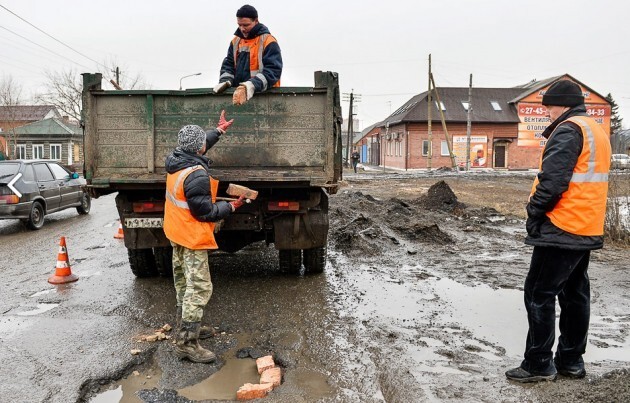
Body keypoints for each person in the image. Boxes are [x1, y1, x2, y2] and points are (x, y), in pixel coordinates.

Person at [505, 80, 611, 382]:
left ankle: (538, 363)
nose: (546, 112)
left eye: (548, 107)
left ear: (561, 104)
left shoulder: (568, 130)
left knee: (539, 292)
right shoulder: (595, 130)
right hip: (586, 225)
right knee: (575, 294)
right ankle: (571, 361)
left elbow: (552, 182)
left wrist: (534, 214)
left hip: (562, 224)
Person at [163, 110, 246, 363]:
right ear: (198, 147)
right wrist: (232, 207)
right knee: (198, 286)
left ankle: (186, 325)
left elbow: (200, 143)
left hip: (176, 232)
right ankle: (187, 342)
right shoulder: (196, 174)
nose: (204, 145)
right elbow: (206, 212)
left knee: (184, 283)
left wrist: (218, 131)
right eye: (203, 142)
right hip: (191, 236)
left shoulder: (177, 160)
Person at [213, 4, 283, 106]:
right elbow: (229, 65)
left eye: (246, 25)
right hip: (240, 99)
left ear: (256, 21)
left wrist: (252, 85)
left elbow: (273, 71)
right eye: (239, 25)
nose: (242, 29)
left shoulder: (268, 41)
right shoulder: (235, 42)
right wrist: (225, 81)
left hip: (266, 99)